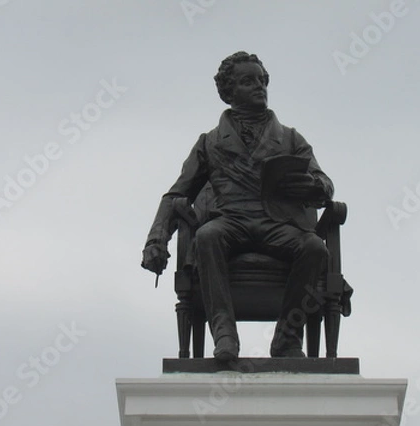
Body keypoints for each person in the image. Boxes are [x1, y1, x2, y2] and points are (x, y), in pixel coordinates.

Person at [142, 51, 334, 361]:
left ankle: (287, 338)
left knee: (313, 248)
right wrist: (156, 239)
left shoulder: (290, 138)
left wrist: (314, 188)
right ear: (229, 92)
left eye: (261, 80)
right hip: (232, 221)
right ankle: (225, 336)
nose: (259, 87)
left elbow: (324, 183)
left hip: (277, 225)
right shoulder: (210, 142)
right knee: (207, 236)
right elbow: (176, 194)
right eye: (248, 81)